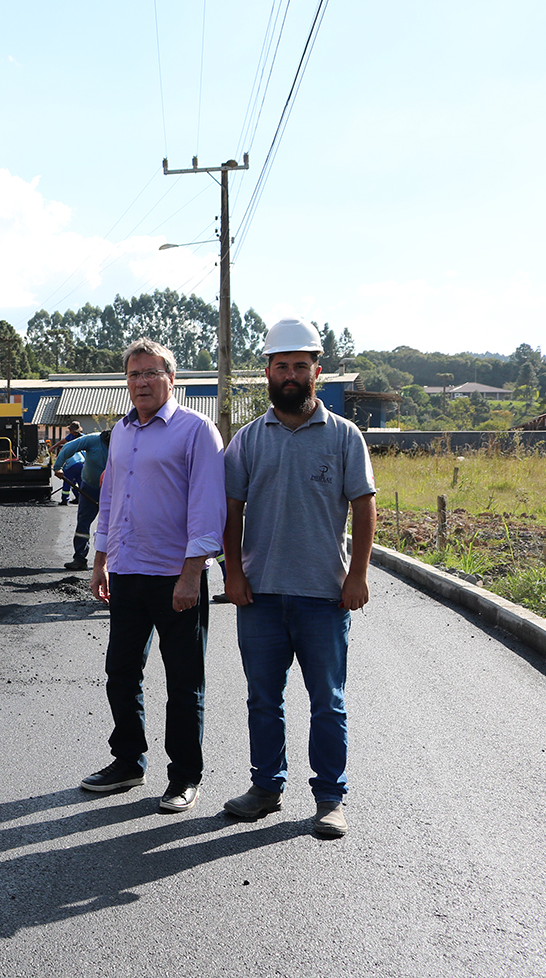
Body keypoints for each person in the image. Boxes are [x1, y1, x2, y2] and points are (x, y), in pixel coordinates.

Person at [221, 317, 377, 838]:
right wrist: (234, 574)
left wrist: (357, 576)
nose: (290, 374)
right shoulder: (246, 441)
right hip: (259, 596)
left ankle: (330, 798)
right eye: (281, 365)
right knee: (263, 698)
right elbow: (231, 511)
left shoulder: (343, 436)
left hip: (323, 597)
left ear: (316, 371)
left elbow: (363, 506)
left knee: (327, 700)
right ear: (267, 370)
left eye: (300, 366)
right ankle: (266, 788)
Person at [84, 338, 225, 814]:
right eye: (133, 374)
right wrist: (100, 560)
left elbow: (208, 509)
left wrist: (191, 575)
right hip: (126, 572)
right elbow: (109, 500)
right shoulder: (121, 432)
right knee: (121, 672)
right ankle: (128, 761)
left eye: (150, 373)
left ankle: (185, 776)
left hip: (175, 579)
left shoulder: (196, 430)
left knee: (184, 681)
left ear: (171, 378)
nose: (140, 382)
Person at [52, 425, 111, 571]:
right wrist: (58, 467)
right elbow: (67, 448)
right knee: (83, 523)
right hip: (90, 488)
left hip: (114, 491)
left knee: (118, 525)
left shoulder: (124, 442)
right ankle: (79, 558)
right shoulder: (92, 439)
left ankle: (116, 562)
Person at [54, 421, 84, 504]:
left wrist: (60, 472)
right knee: (78, 483)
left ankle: (64, 500)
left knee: (67, 483)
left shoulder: (64, 451)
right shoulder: (73, 447)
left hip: (73, 465)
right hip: (82, 464)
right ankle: (80, 498)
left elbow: (63, 466)